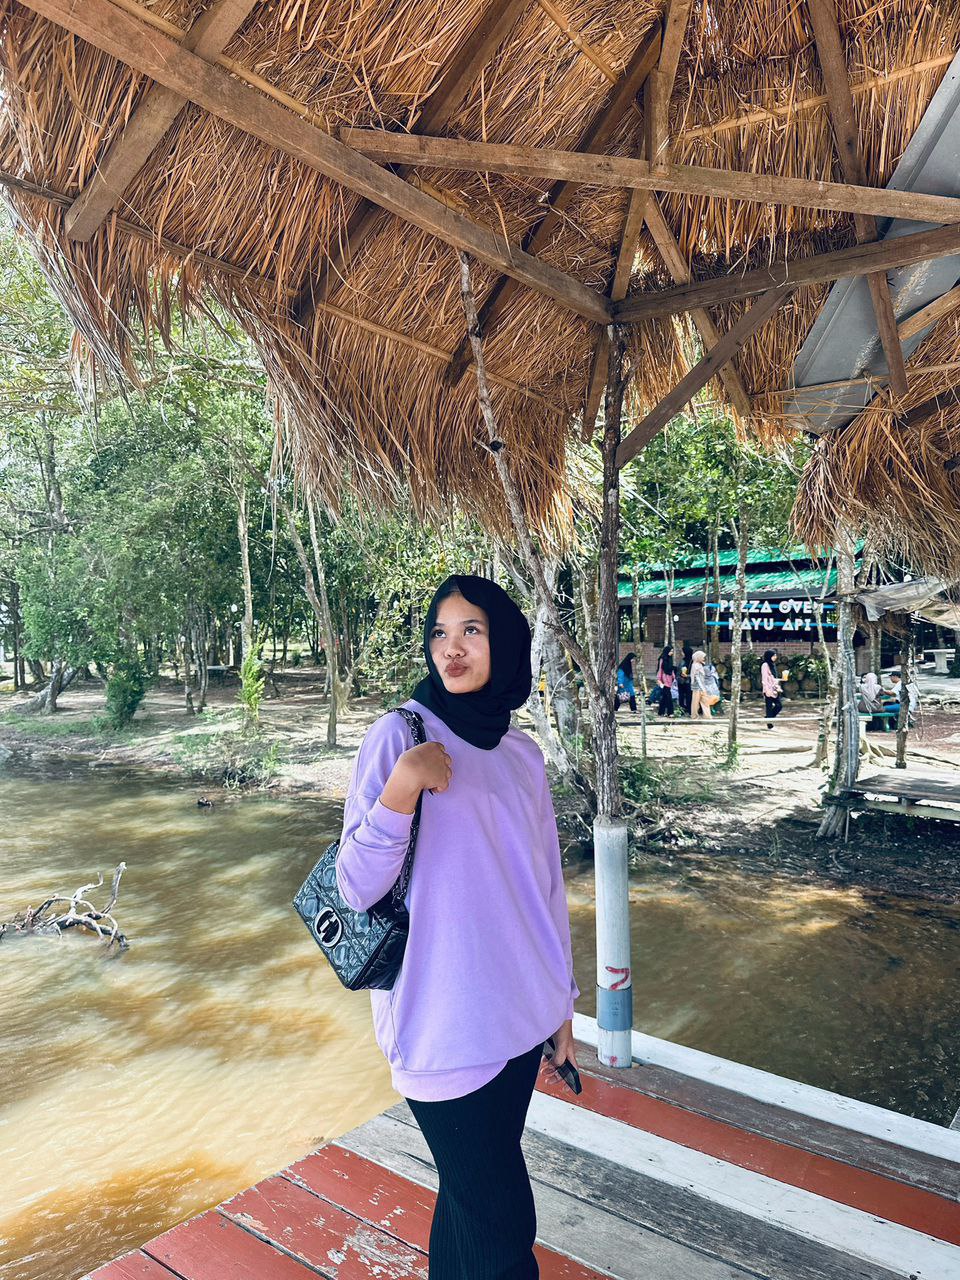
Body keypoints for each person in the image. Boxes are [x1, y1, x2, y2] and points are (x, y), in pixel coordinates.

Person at [335, 573, 579, 1280]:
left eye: (472, 630)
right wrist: (402, 786)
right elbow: (355, 887)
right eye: (440, 633)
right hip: (442, 1024)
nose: (453, 648)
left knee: (471, 1208)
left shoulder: (521, 755)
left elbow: (544, 888)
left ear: (504, 644)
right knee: (503, 1218)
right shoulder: (400, 736)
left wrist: (560, 1006)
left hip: (520, 1015)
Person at [689, 649, 714, 721]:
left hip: (702, 686)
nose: (703, 658)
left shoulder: (700, 665)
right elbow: (697, 677)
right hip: (697, 686)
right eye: (702, 657)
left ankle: (707, 716)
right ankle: (694, 716)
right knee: (695, 702)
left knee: (705, 701)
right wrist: (702, 687)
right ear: (698, 657)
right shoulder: (695, 665)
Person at [760, 649, 782, 728]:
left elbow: (774, 677)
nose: (775, 657)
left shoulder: (773, 664)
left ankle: (768, 718)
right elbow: (764, 678)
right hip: (768, 689)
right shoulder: (765, 665)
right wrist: (766, 689)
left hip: (775, 688)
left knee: (779, 705)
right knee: (769, 706)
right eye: (773, 655)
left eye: (775, 655)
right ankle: (769, 724)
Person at [656, 644, 676, 717]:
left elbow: (671, 669)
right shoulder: (662, 659)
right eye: (671, 651)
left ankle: (661, 712)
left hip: (670, 679)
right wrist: (659, 679)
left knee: (665, 696)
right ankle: (670, 712)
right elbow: (660, 670)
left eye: (672, 651)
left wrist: (674, 677)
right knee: (668, 696)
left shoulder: (670, 659)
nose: (672, 653)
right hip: (664, 679)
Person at [677, 643, 694, 716]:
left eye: (682, 652)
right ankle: (688, 710)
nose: (681, 653)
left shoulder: (685, 661)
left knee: (684, 696)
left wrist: (686, 675)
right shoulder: (692, 661)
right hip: (687, 681)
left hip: (684, 681)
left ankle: (683, 710)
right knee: (688, 696)